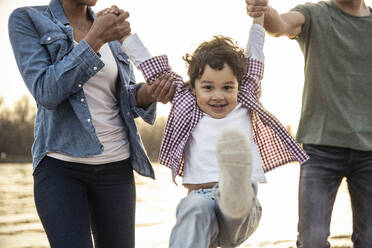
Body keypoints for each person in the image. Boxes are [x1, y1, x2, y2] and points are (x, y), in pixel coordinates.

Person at [118, 7, 308, 247]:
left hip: (242, 208)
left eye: (228, 87)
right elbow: (151, 66)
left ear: (239, 84)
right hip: (201, 199)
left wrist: (258, 18)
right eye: (208, 87)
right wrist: (124, 35)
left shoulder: (245, 98)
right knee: (192, 206)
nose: (218, 96)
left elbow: (256, 49)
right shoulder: (186, 100)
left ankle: (235, 189)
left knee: (234, 199)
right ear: (193, 86)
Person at [8, 1, 175, 248]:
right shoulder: (27, 19)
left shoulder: (111, 27)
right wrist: (95, 39)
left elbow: (124, 97)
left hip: (117, 168)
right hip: (61, 168)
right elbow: (46, 92)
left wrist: (149, 93)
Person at [245, 0, 372, 247]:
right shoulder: (314, 14)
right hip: (321, 150)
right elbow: (279, 24)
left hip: (370, 152)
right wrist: (263, 8)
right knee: (312, 240)